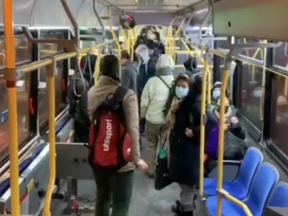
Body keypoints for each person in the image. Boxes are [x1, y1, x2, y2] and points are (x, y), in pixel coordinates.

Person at [87, 54, 147, 216]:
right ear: (117, 71)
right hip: (122, 160)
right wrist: (136, 158)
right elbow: (133, 129)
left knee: (102, 199)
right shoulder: (128, 95)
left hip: (98, 155)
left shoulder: (92, 92)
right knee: (120, 204)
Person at [167, 74, 204, 216]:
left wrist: (195, 132)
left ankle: (186, 209)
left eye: (186, 86)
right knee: (185, 184)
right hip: (182, 151)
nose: (182, 89)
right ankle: (184, 204)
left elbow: (210, 124)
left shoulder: (197, 104)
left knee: (187, 186)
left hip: (188, 153)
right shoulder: (187, 102)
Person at [141, 54, 175, 178]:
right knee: (165, 146)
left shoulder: (152, 81)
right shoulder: (174, 81)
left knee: (151, 145)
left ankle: (151, 170)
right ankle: (164, 169)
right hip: (167, 120)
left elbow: (144, 102)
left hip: (152, 120)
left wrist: (143, 115)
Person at [68, 54, 97, 142]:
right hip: (81, 120)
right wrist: (90, 120)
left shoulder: (76, 77)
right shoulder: (83, 83)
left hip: (74, 117)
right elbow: (84, 107)